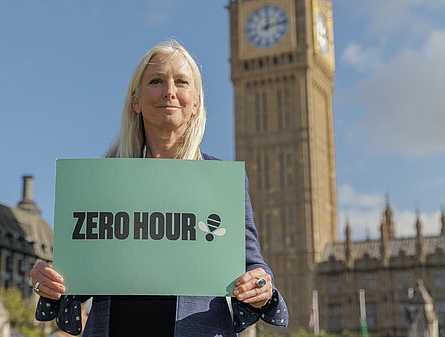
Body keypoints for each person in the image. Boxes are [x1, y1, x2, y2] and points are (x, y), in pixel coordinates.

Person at [30, 40, 288, 336]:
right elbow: (74, 279)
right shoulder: (101, 179)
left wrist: (260, 287)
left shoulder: (222, 183)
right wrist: (49, 283)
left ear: (196, 104)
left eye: (181, 82)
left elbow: (254, 267)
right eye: (156, 81)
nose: (169, 91)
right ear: (135, 101)